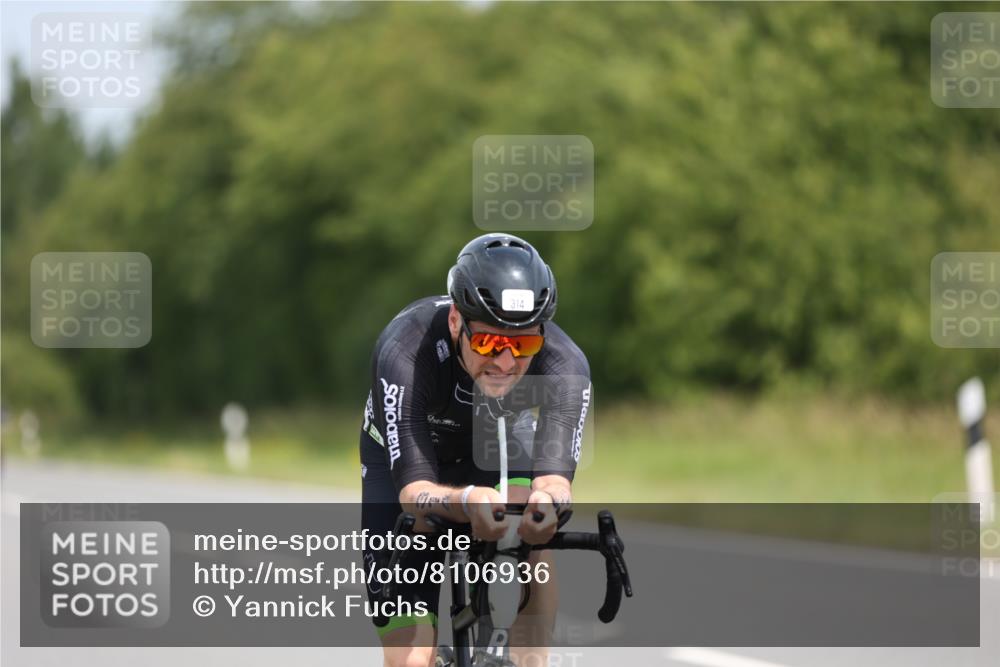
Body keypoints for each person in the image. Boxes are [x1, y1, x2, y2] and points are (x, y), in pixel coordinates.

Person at [360, 233, 592, 667]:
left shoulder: (566, 364)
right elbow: (414, 490)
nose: (505, 363)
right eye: (488, 343)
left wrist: (549, 506)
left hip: (497, 439)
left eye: (522, 345)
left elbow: (555, 480)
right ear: (455, 322)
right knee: (410, 657)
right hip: (409, 457)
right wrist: (466, 500)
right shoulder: (406, 348)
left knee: (532, 531)